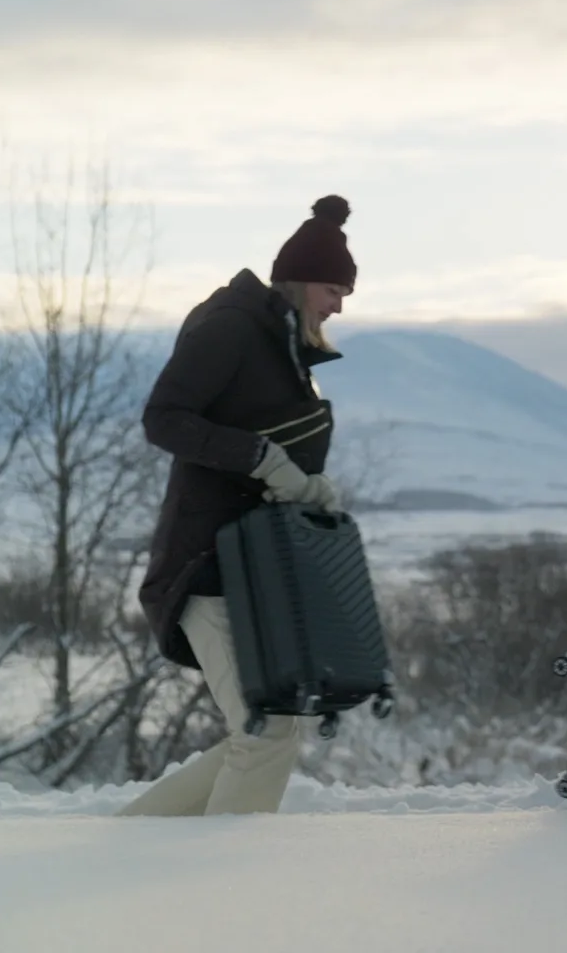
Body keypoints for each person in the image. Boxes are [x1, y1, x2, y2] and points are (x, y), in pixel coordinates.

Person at [119, 195, 356, 817]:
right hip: (207, 563)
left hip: (255, 568)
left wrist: (309, 484)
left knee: (264, 727)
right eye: (334, 289)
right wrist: (263, 460)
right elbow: (163, 418)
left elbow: (272, 441)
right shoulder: (231, 326)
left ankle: (129, 845)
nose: (339, 305)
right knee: (266, 727)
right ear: (301, 282)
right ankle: (226, 885)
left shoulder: (282, 345)